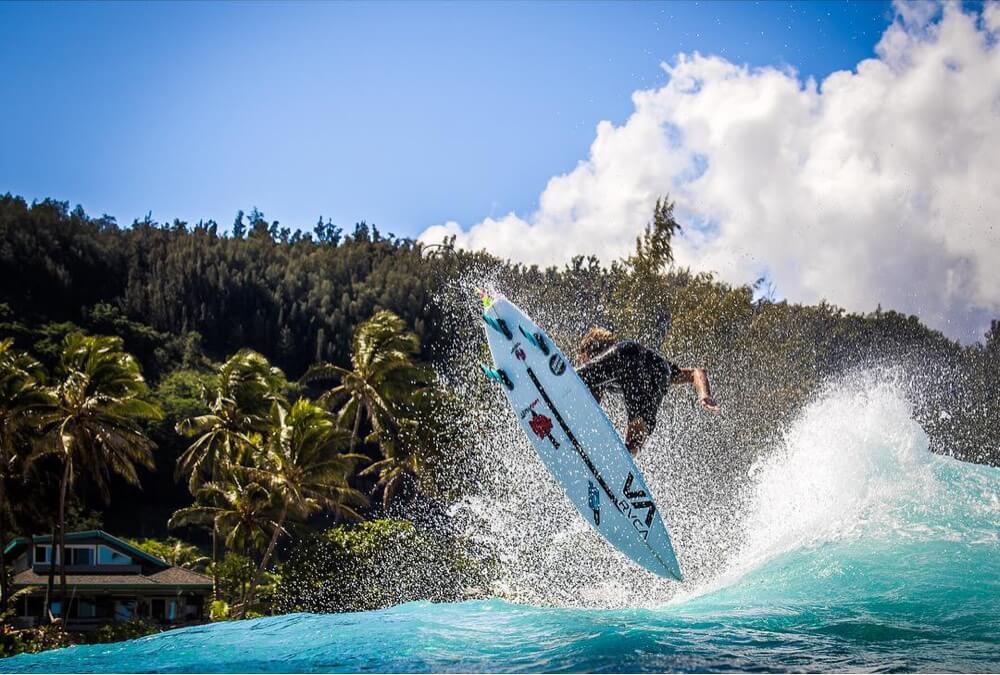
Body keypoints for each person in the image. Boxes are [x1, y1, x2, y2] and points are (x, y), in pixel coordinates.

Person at [576, 327, 719, 455]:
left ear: (587, 352)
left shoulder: (610, 360)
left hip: (627, 353)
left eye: (580, 356)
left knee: (582, 378)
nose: (578, 359)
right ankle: (624, 462)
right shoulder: (650, 362)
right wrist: (704, 395)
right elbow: (695, 372)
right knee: (636, 436)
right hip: (659, 372)